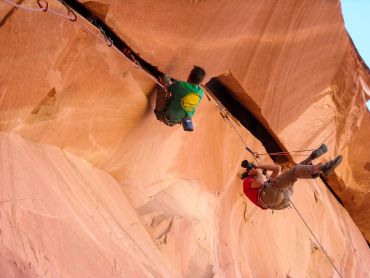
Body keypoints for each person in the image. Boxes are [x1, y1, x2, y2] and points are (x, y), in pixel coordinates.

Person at [241, 144, 343, 210]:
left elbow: (276, 168)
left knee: (294, 174)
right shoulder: (246, 181)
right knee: (294, 172)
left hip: (280, 199)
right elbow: (259, 183)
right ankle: (322, 168)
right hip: (268, 197)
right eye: (250, 171)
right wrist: (257, 173)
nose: (252, 171)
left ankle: (311, 158)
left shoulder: (266, 184)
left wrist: (257, 166)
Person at [154, 66, 206, 131]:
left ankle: (159, 112)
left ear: (189, 76)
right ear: (200, 82)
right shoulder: (200, 93)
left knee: (163, 80)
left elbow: (168, 88)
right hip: (177, 121)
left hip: (163, 116)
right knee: (177, 88)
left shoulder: (181, 85)